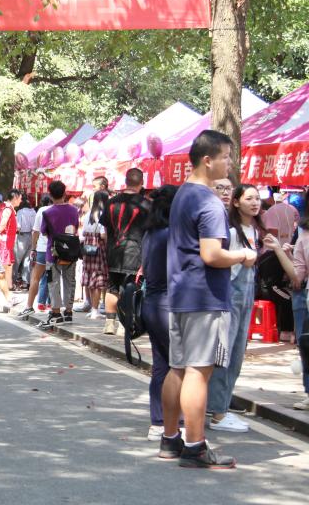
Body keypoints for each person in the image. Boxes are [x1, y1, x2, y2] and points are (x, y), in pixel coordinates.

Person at [160, 130, 252, 469]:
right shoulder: (209, 202)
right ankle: (195, 446)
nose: (230, 163)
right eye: (226, 156)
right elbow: (212, 254)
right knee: (198, 372)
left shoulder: (183, 194)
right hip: (205, 296)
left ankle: (170, 438)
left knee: (178, 368)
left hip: (182, 292)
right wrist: (243, 255)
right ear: (207, 160)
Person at [207, 183, 297, 433]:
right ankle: (218, 412)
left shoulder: (253, 230)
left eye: (257, 198)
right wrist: (243, 258)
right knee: (225, 354)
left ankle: (220, 406)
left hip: (244, 298)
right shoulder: (230, 230)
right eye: (249, 198)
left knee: (236, 354)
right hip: (229, 297)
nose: (255, 203)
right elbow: (223, 264)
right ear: (237, 203)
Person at [141, 185, 177, 441]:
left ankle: (158, 421)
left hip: (152, 303)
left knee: (161, 365)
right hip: (167, 304)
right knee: (180, 366)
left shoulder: (151, 233)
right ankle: (177, 423)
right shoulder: (170, 235)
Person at [101, 168, 151, 335]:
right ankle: (124, 325)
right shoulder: (146, 205)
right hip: (136, 253)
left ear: (125, 181)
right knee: (130, 289)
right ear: (141, 183)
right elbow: (149, 233)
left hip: (113, 252)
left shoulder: (111, 202)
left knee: (112, 288)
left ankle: (109, 324)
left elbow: (105, 231)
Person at [37, 181, 80, 328]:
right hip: (71, 251)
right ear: (64, 193)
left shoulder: (47, 213)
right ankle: (68, 311)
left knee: (53, 282)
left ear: (50, 195)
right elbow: (75, 227)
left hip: (53, 252)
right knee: (70, 281)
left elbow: (43, 232)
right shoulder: (74, 210)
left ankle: (56, 312)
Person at [21, 195, 54, 319]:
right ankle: (53, 307)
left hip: (42, 248)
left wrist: (33, 247)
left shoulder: (41, 210)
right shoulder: (60, 209)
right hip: (55, 249)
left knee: (36, 278)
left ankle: (29, 306)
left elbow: (35, 231)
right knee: (53, 278)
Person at [79, 191, 109, 320]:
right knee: (98, 279)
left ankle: (93, 308)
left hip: (88, 248)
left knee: (91, 278)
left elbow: (83, 233)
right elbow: (103, 234)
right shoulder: (102, 214)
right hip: (98, 248)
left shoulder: (88, 214)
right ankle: (95, 310)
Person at [290, 214, 309, 410]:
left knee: (307, 343)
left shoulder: (304, 236)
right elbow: (299, 274)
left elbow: (298, 275)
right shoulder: (303, 235)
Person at [0, 191, 20, 302]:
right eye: (19, 198)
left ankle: (8, 287)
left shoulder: (7, 207)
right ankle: (5, 289)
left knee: (8, 265)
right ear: (15, 198)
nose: (20, 201)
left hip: (7, 240)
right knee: (5, 266)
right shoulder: (7, 208)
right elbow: (3, 223)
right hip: (5, 241)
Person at [13, 196, 36, 290]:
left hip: (21, 236)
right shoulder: (33, 212)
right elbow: (35, 227)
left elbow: (18, 226)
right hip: (31, 235)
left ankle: (13, 280)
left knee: (17, 260)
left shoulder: (20, 212)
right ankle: (26, 282)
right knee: (27, 260)